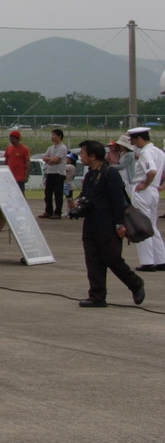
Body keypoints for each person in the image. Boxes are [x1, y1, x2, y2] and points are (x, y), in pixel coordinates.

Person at [74, 138, 144, 308]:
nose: (81, 156)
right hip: (91, 224)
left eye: (83, 153)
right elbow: (86, 196)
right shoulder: (90, 175)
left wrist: (120, 224)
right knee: (93, 261)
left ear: (92, 155)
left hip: (108, 224)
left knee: (112, 259)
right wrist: (78, 204)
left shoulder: (109, 173)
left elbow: (117, 200)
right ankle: (97, 296)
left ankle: (135, 283)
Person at [129, 127, 165, 272]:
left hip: (143, 190)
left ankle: (147, 261)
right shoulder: (159, 152)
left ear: (139, 138)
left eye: (133, 140)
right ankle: (160, 260)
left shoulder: (145, 153)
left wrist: (145, 184)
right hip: (154, 191)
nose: (132, 143)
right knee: (152, 225)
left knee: (141, 225)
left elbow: (152, 171)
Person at [40, 128, 71, 219]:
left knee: (58, 194)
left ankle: (58, 212)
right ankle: (48, 211)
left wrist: (51, 160)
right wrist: (51, 160)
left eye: (54, 135)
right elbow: (45, 158)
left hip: (59, 173)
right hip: (50, 172)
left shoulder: (63, 148)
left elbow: (56, 160)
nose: (52, 137)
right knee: (48, 193)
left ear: (59, 136)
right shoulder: (51, 148)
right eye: (52, 135)